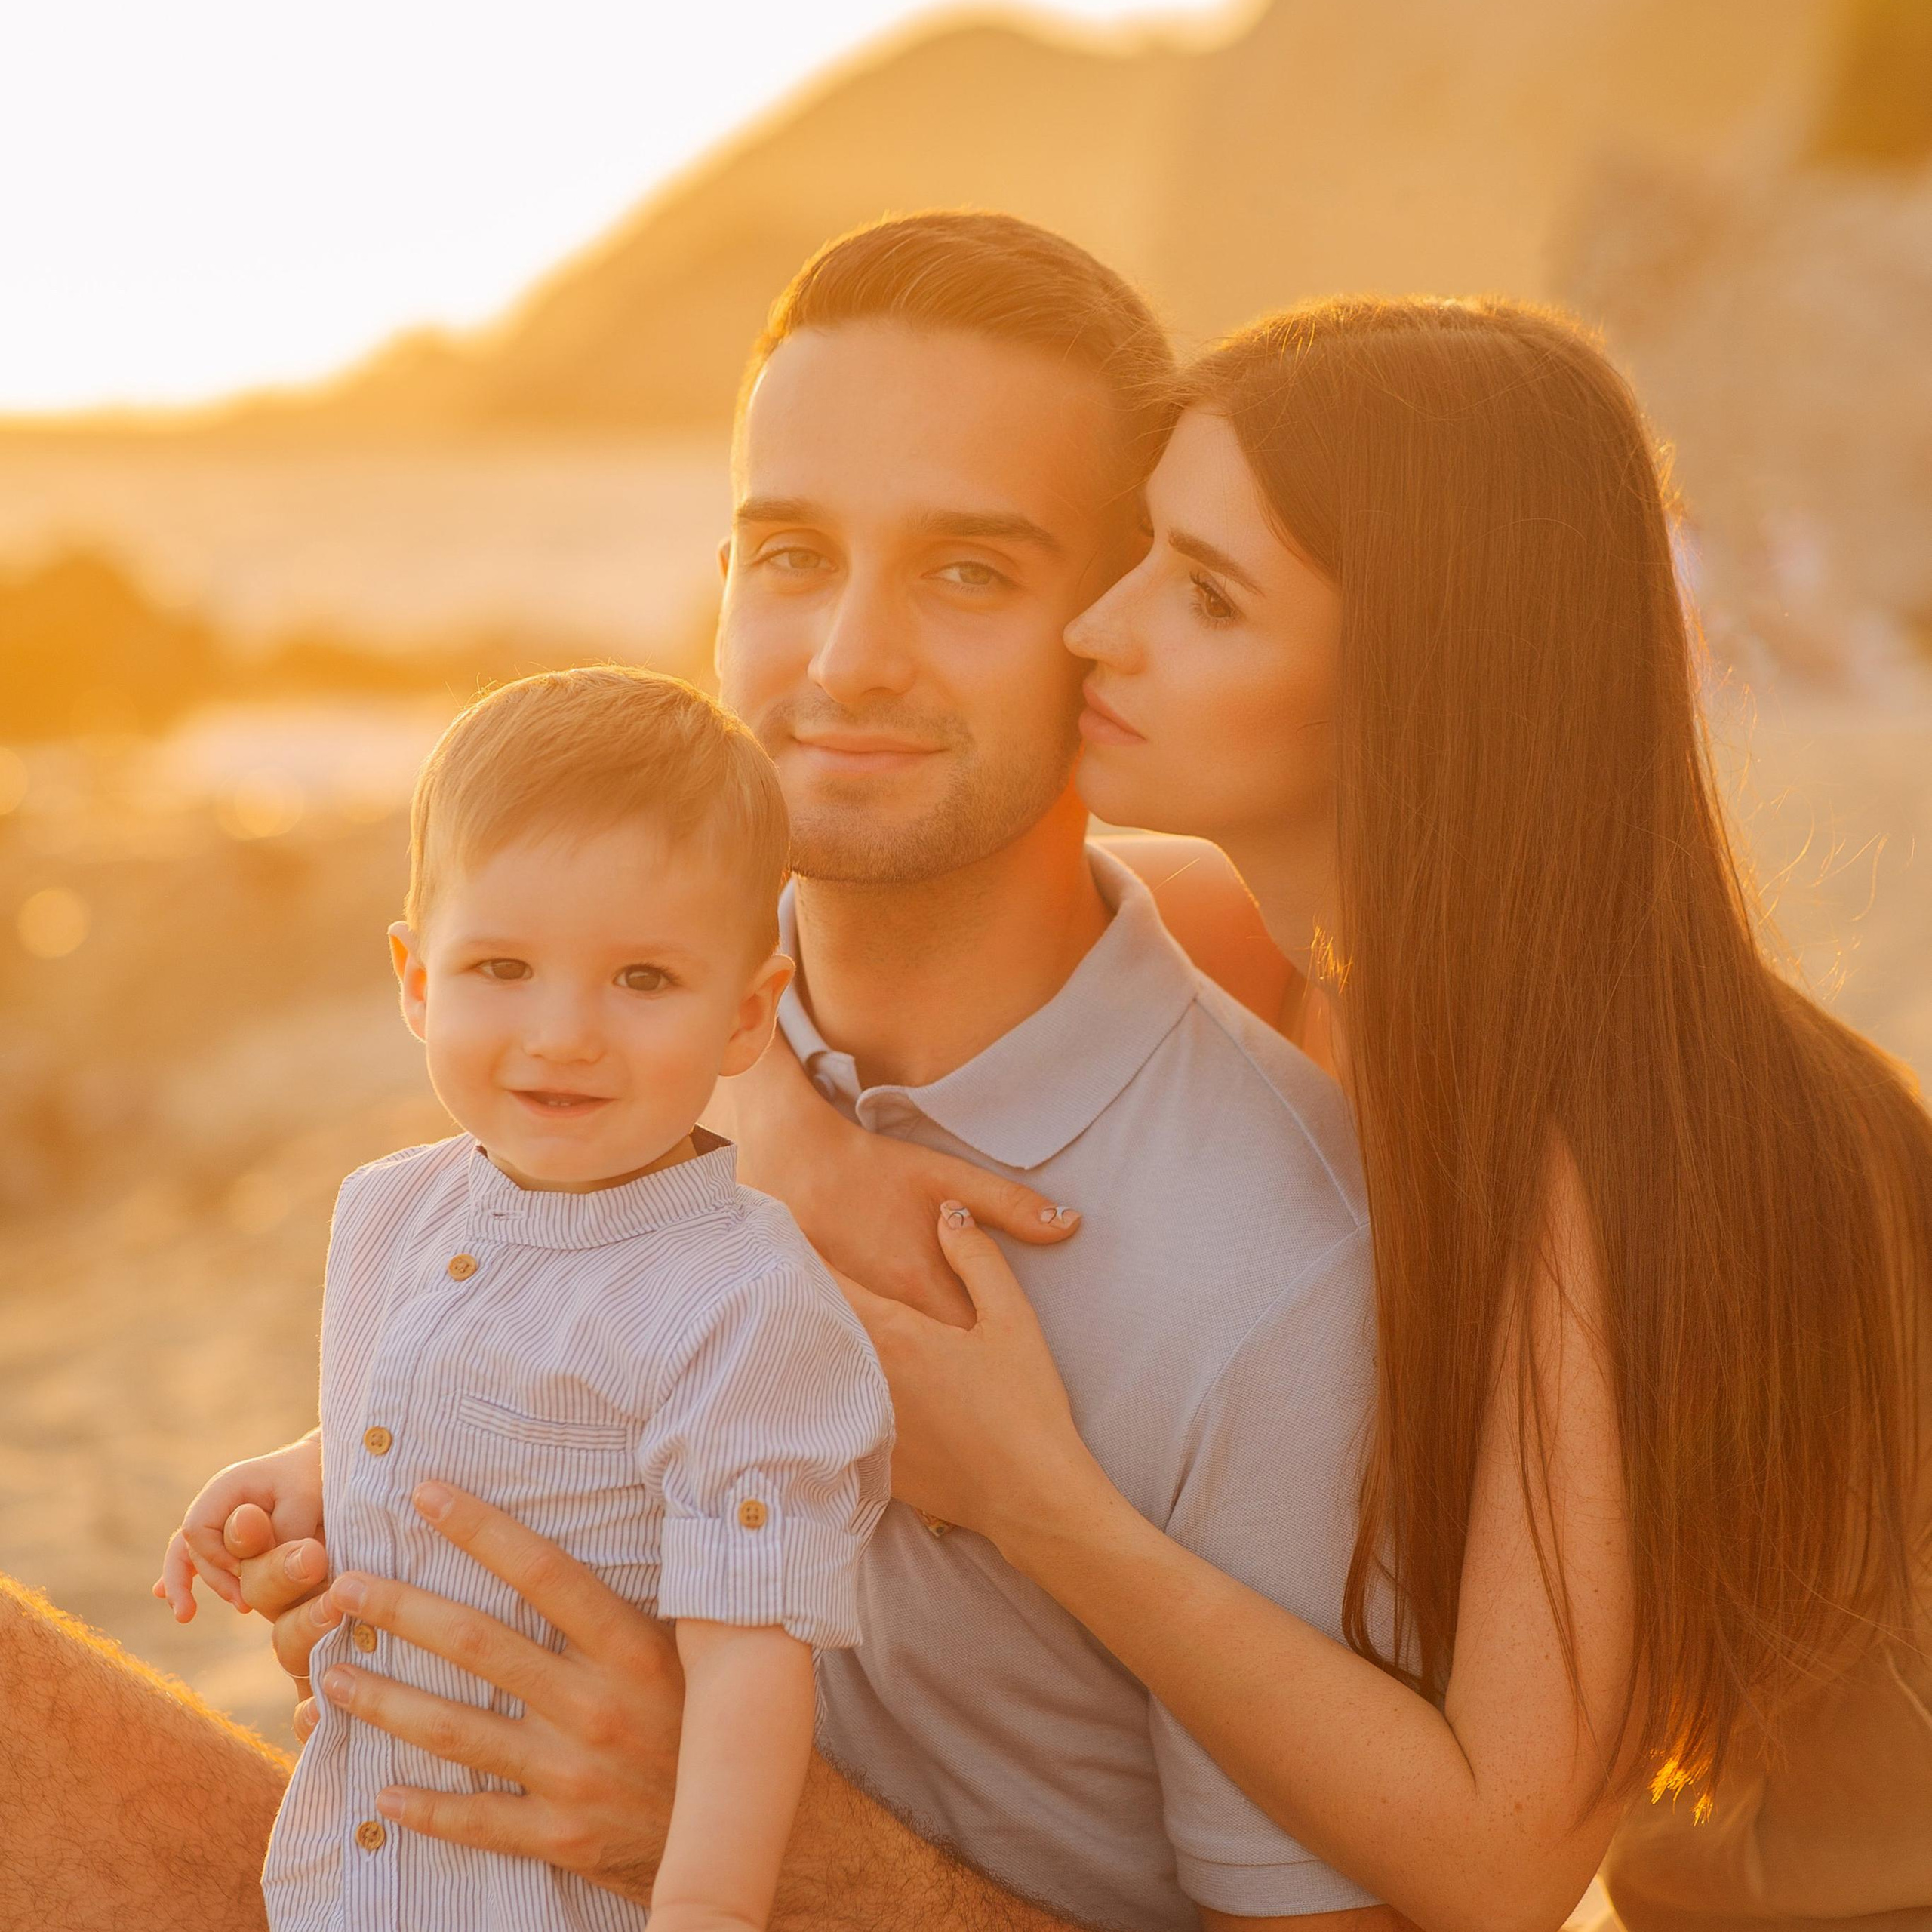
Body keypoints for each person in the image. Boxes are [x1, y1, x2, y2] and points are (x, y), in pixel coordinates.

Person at [0, 214, 1402, 1932]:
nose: (844, 661)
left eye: (968, 570)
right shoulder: (612, 1075)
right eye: (790, 554)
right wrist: (363, 1545)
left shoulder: (1270, 1250)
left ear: (1110, 625)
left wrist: (750, 1838)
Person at [758, 297, 1932, 1932]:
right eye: (1139, 551)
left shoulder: (1635, 1150)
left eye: (1207, 596)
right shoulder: (1295, 954)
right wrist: (798, 1141)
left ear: (1413, 673)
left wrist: (1036, 1498)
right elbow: (770, 902)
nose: (1100, 628)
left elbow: (1497, 1858)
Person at [154, 666, 895, 1932]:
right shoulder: (388, 1211)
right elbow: (468, 1413)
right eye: (503, 966)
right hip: (356, 1883)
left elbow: (751, 1661)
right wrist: (314, 1465)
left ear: (747, 1011)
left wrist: (705, 1908)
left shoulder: (740, 1305)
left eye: (644, 980)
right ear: (416, 979)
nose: (564, 1032)